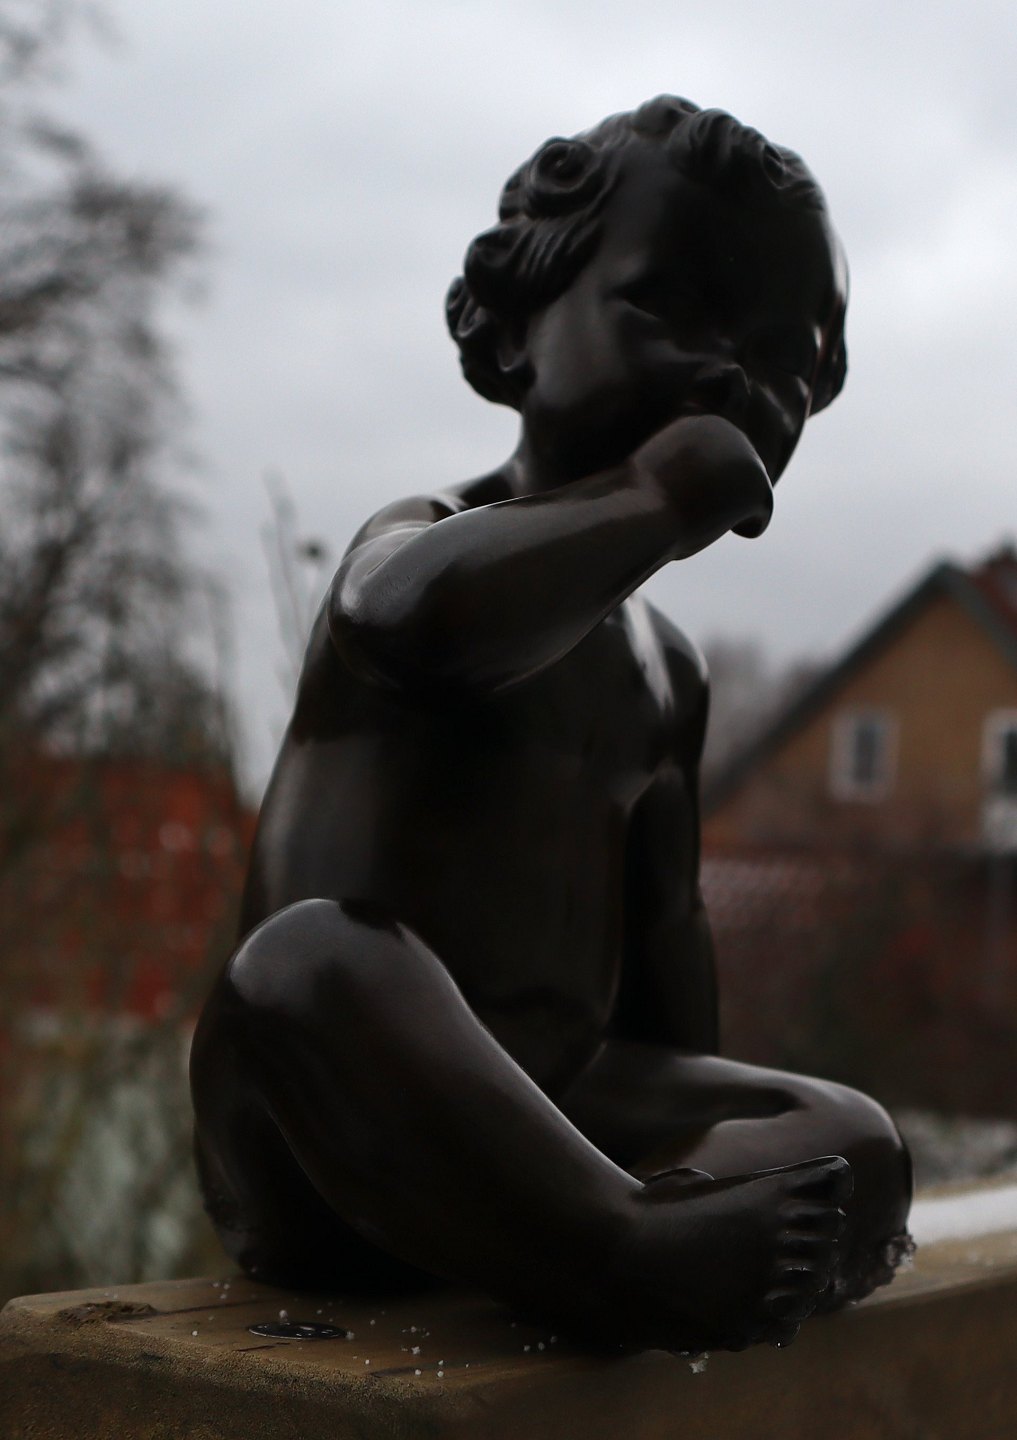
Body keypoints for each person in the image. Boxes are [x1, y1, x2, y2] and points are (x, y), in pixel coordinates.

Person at [190, 96, 912, 1354]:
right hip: (329, 1132)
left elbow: (667, 949)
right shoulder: (425, 544)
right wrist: (650, 500)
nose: (728, 378)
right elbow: (403, 624)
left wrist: (716, 1142)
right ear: (517, 328)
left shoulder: (668, 673)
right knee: (306, 964)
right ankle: (621, 1251)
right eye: (670, 310)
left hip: (556, 1107)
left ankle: (632, 1230)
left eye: (781, 360)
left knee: (854, 1138)